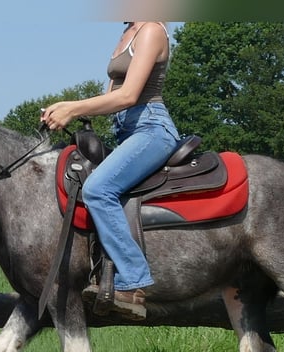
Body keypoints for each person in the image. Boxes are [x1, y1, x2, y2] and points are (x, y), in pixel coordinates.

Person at [41, 21, 181, 319]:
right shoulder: (126, 33)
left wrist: (74, 108)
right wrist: (70, 111)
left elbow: (128, 96)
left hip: (151, 129)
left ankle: (133, 282)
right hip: (126, 133)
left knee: (99, 188)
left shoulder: (152, 30)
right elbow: (110, 98)